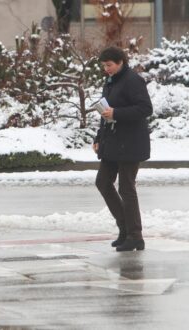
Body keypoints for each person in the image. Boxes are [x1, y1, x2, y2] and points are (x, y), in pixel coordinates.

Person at [93, 46, 153, 252]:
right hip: (112, 142)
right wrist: (98, 137)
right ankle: (125, 227)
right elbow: (105, 111)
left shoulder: (133, 80)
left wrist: (116, 113)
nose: (106, 69)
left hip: (131, 143)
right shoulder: (111, 82)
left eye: (109, 65)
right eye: (103, 66)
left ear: (121, 62)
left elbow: (145, 108)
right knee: (102, 182)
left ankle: (135, 236)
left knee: (127, 188)